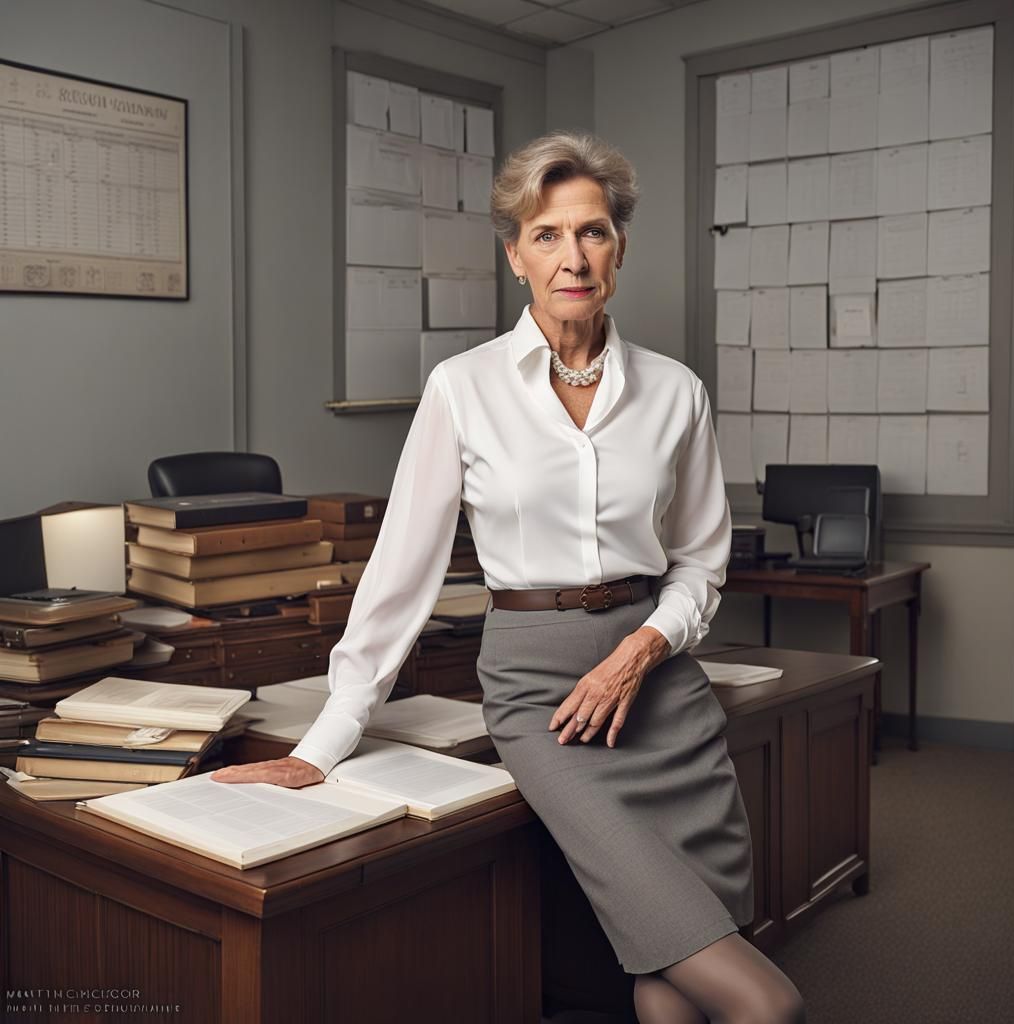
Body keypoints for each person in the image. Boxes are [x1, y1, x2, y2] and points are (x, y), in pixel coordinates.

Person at [213, 131, 806, 1024]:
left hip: (663, 692)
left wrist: (643, 648)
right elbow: (399, 575)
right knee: (765, 1003)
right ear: (515, 256)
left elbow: (699, 563)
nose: (574, 257)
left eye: (594, 232)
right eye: (548, 235)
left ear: (619, 246)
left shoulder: (676, 391)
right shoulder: (464, 387)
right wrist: (320, 744)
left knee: (668, 979)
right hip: (542, 696)